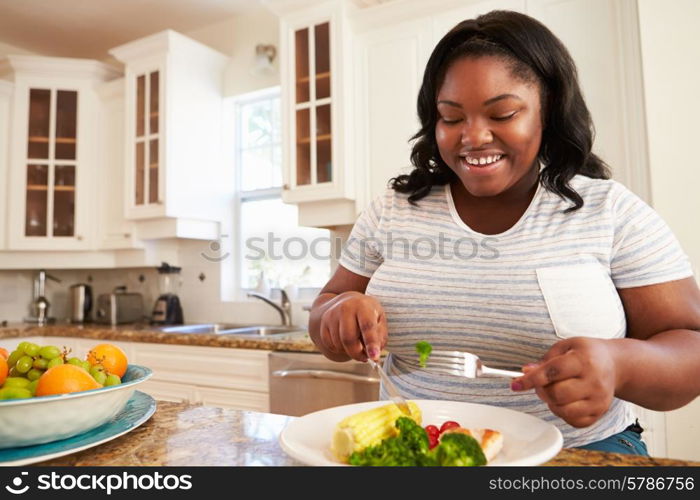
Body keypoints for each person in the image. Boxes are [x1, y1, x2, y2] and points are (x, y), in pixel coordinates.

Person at [308, 10, 700, 454]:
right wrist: (338, 311)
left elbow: (690, 348)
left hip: (579, 454)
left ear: (546, 110)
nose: (472, 137)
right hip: (418, 453)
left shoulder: (611, 211)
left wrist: (619, 365)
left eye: (503, 113)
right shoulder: (392, 211)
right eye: (451, 118)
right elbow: (324, 312)